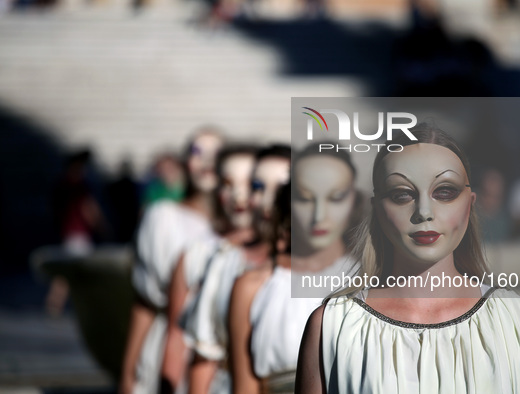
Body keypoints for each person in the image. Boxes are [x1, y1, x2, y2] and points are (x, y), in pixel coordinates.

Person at [295, 125, 520, 394]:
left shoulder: (517, 319)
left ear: (470, 203)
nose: (424, 212)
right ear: (377, 209)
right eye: (402, 194)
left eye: (444, 192)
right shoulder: (333, 325)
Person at [228, 146, 360, 394]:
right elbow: (245, 387)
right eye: (306, 197)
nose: (319, 214)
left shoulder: (375, 281)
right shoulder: (253, 286)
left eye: (335, 196)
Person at [177, 145, 291, 394]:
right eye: (258, 187)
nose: (268, 201)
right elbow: (204, 359)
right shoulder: (223, 262)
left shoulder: (341, 272)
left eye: (282, 189)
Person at [120, 128, 224, 394]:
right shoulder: (162, 217)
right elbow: (144, 302)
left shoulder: (239, 233)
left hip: (219, 361)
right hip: (164, 348)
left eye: (215, 153)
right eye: (197, 152)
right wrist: (127, 375)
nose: (206, 161)